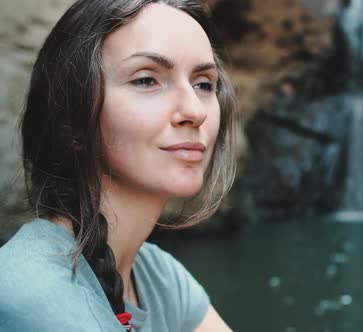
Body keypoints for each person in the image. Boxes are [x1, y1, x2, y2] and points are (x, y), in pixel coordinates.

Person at [0, 0, 237, 331]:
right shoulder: (35, 297)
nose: (195, 110)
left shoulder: (159, 279)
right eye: (146, 80)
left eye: (204, 84)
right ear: (72, 124)